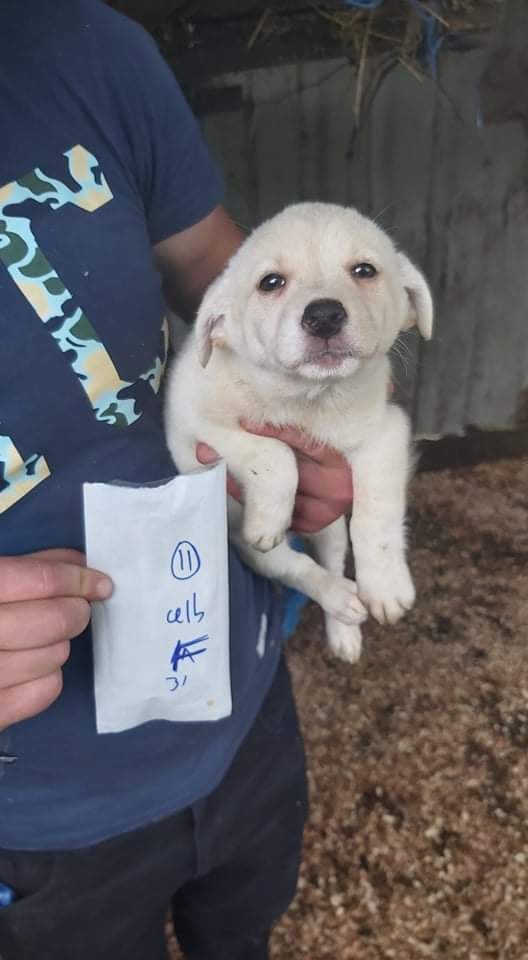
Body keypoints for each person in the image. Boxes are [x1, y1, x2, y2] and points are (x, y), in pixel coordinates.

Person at [0, 2, 353, 957]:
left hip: (235, 696)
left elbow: (208, 264)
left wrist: (300, 405)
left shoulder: (74, 45)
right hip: (35, 823)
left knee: (245, 929)